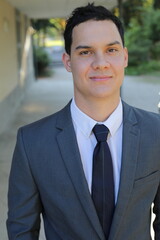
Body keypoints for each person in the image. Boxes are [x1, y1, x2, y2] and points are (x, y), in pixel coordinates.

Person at [7, 3, 160, 240]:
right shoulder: (31, 143)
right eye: (85, 52)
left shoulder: (156, 132)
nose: (101, 63)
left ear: (125, 57)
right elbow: (22, 230)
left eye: (111, 50)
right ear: (68, 61)